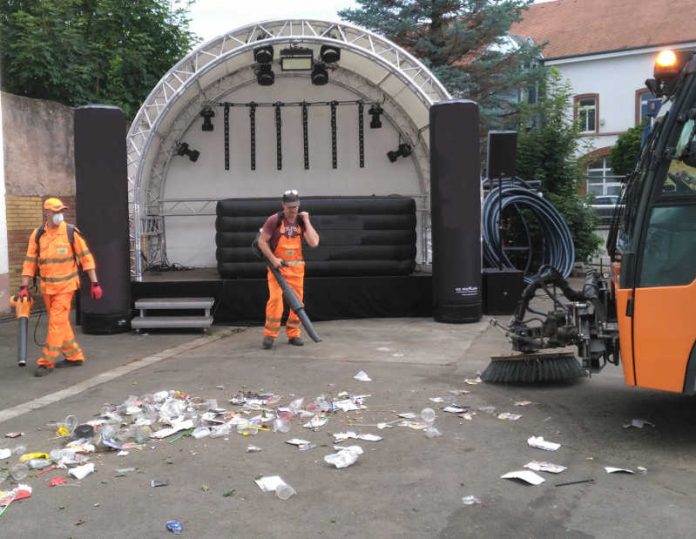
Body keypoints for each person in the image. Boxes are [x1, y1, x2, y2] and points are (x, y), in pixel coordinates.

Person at [19, 197, 103, 377]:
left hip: (66, 287)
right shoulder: (38, 235)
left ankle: (46, 362)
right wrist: (23, 287)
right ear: (46, 213)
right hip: (47, 288)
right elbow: (30, 262)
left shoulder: (71, 232)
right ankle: (74, 356)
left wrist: (95, 283)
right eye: (56, 212)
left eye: (61, 211)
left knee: (56, 324)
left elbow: (86, 259)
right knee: (61, 323)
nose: (59, 215)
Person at [257, 190, 319, 349]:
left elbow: (314, 243)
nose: (293, 210)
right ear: (283, 205)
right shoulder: (274, 220)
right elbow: (262, 242)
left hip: (297, 269)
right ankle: (270, 335)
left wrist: (307, 220)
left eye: (296, 206)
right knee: (276, 300)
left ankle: (294, 334)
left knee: (297, 303)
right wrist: (273, 259)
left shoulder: (301, 221)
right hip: (278, 270)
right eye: (290, 206)